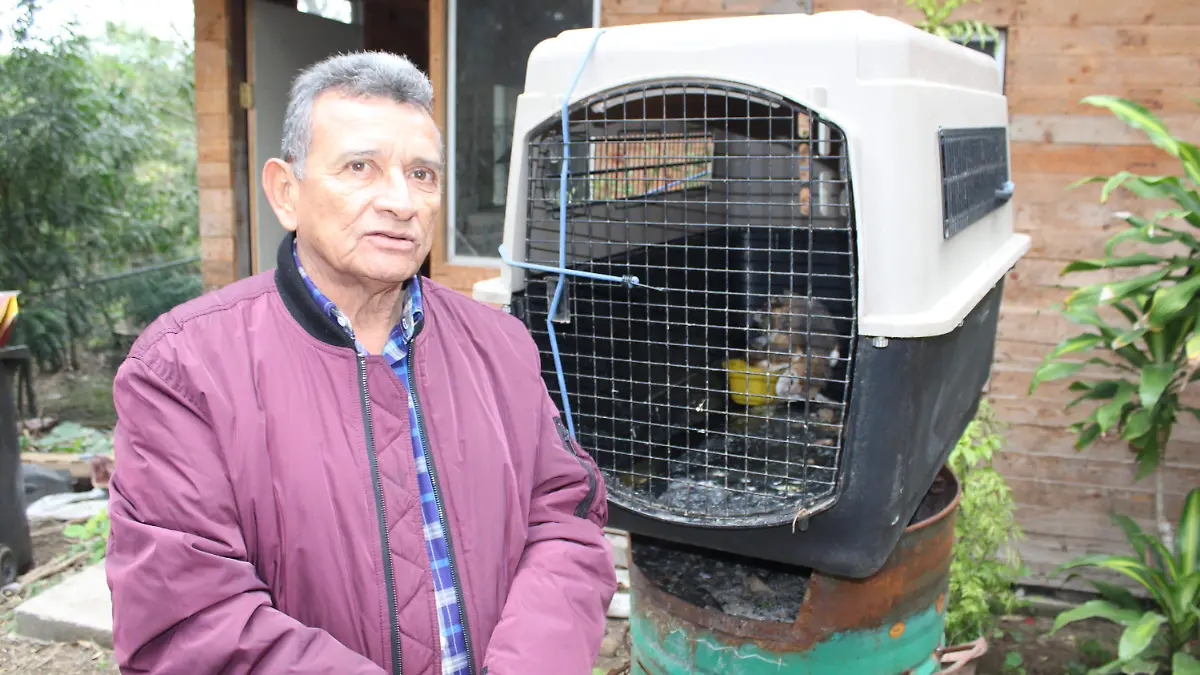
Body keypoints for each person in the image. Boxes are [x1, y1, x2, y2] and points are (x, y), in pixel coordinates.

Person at [104, 50, 616, 675]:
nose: (401, 201)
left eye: (422, 175)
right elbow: (188, 621)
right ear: (285, 192)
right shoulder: (184, 368)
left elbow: (563, 517)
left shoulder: (500, 345)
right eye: (360, 167)